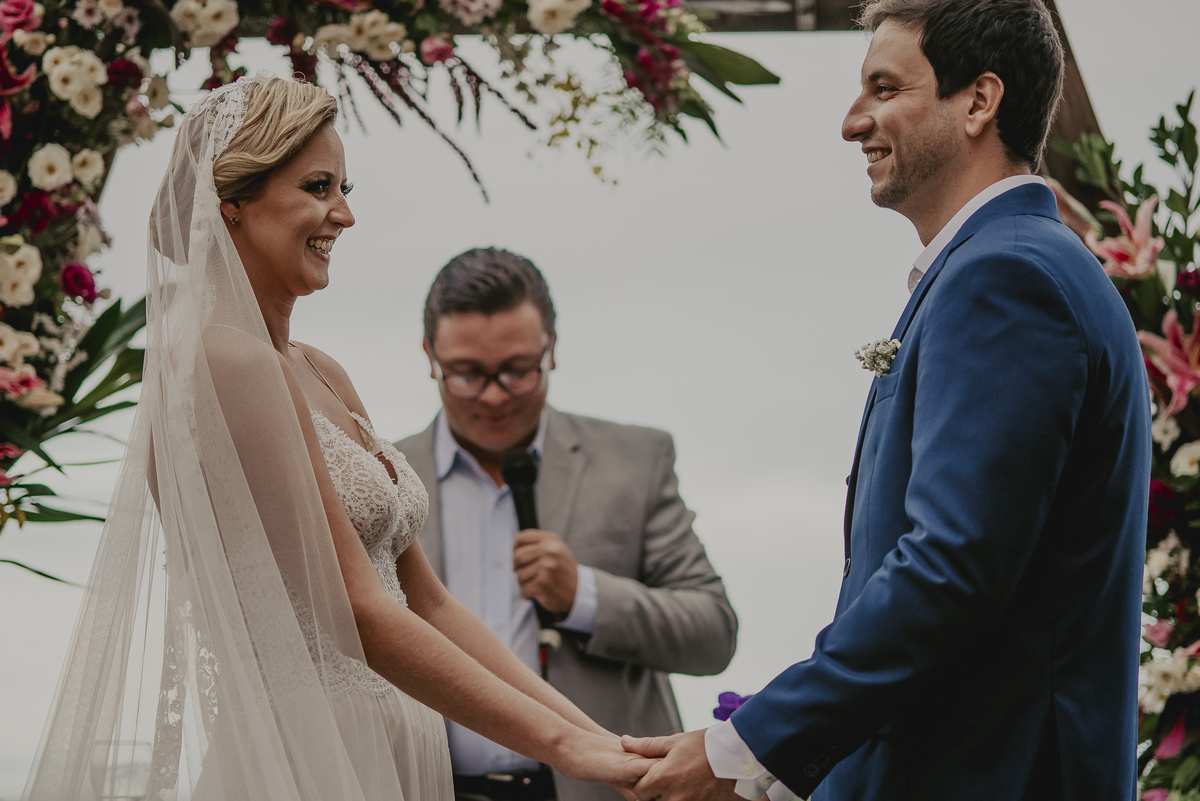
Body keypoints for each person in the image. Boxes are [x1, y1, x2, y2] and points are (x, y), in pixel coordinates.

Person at [23, 75, 650, 801]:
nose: (344, 214)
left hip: (395, 748)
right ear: (232, 201)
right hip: (309, 760)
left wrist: (604, 741)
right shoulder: (223, 363)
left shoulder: (320, 370)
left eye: (343, 186)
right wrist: (567, 747)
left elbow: (429, 602)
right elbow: (356, 606)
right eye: (318, 186)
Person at [623, 1, 1151, 799]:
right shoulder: (1024, 265)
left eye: (882, 88)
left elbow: (951, 568)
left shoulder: (1005, 280)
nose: (851, 121)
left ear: (979, 100)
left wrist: (748, 744)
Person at [395, 247, 738, 801]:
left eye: (516, 371)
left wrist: (586, 595)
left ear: (551, 349)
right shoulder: (381, 478)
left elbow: (712, 633)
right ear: (430, 356)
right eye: (466, 374)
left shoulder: (636, 460)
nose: (493, 395)